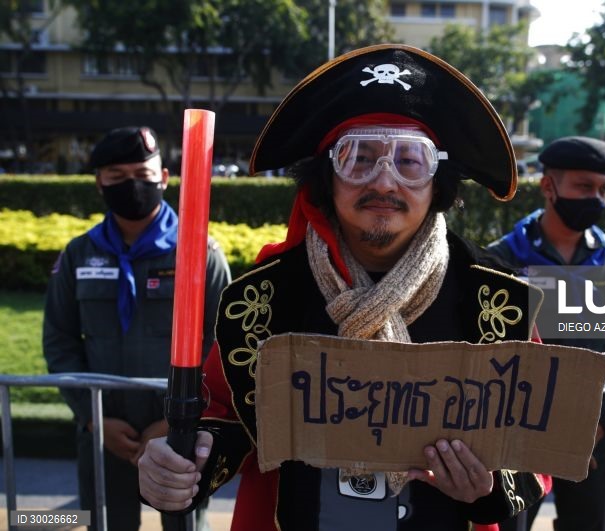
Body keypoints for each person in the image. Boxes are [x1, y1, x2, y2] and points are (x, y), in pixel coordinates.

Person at [137, 44, 551, 531]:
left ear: (438, 182)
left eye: (410, 160)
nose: (384, 181)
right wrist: (181, 464)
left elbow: (535, 445)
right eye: (359, 158)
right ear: (325, 177)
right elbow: (228, 421)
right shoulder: (266, 298)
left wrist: (486, 487)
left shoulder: (492, 297)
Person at [43, 126, 231, 531]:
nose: (131, 185)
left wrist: (176, 421)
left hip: (179, 435)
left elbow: (223, 343)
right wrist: (93, 419)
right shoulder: (79, 254)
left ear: (164, 178)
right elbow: (59, 340)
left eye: (142, 176)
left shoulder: (198, 252)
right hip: (105, 434)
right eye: (116, 176)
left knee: (184, 526)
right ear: (99, 183)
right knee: (105, 523)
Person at [487, 136, 605, 531]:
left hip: (594, 436)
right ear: (548, 186)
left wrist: (602, 420)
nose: (596, 198)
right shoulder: (501, 259)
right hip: (517, 438)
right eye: (584, 187)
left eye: (603, 189)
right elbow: (485, 353)